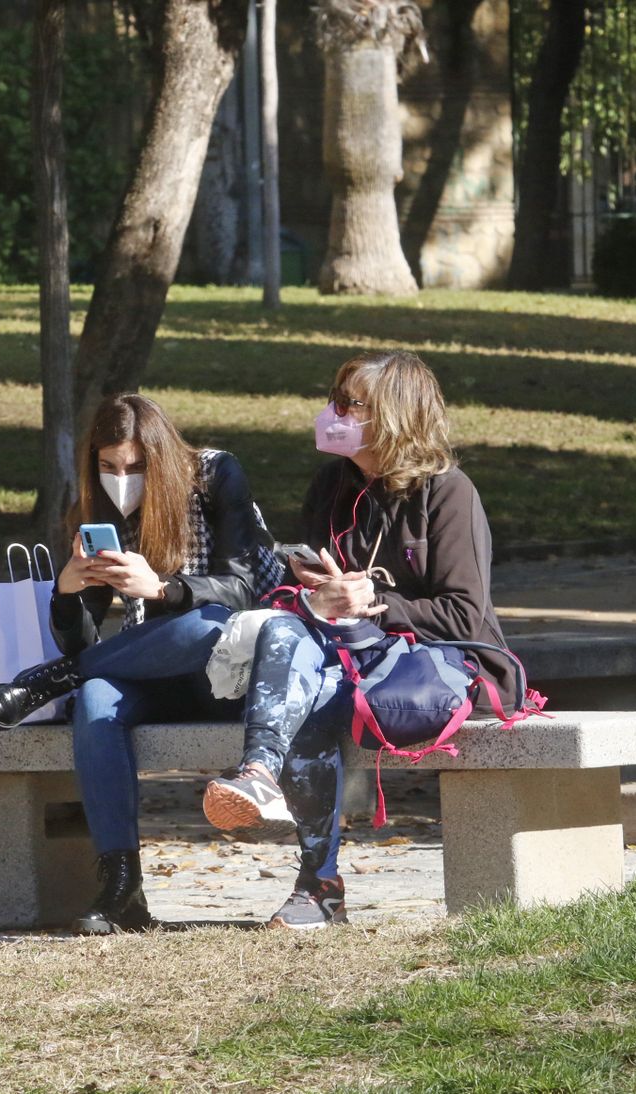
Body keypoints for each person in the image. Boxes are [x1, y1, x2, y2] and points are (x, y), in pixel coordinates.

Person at [202, 349, 519, 930]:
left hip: (434, 663)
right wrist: (317, 593)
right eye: (335, 399)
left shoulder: (448, 493)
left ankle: (316, 885)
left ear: (396, 417)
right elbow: (327, 598)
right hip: (345, 654)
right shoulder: (331, 484)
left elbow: (467, 615)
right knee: (283, 630)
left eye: (353, 405)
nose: (335, 413)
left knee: (317, 700)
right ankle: (261, 776)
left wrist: (373, 600)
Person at [0, 394, 285, 934]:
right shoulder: (100, 510)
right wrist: (68, 593)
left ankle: (48, 684)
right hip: (158, 671)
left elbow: (241, 591)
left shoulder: (216, 475)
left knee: (203, 623)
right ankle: (122, 887)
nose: (123, 478)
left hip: (234, 672)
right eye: (110, 466)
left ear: (161, 457)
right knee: (96, 695)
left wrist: (161, 588)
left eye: (137, 467)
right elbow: (87, 644)